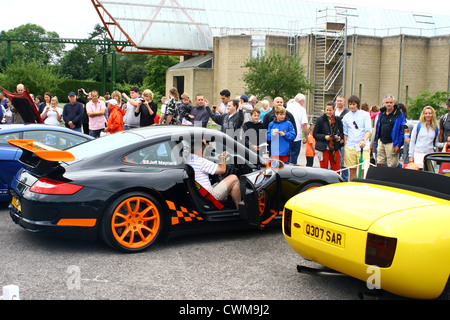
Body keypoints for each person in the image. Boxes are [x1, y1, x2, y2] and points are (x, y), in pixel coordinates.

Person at [187, 140, 241, 209]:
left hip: (197, 194)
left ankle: (233, 209)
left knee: (232, 186)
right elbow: (222, 169)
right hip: (207, 196)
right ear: (202, 150)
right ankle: (240, 210)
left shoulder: (187, 160)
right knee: (234, 178)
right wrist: (222, 156)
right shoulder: (201, 162)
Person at [342, 95, 372, 180]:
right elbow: (345, 133)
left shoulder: (365, 115)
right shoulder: (346, 117)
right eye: (350, 104)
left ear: (357, 105)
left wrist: (364, 140)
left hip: (362, 146)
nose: (352, 106)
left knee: (363, 170)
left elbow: (368, 130)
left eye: (354, 104)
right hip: (350, 146)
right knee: (352, 170)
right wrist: (346, 145)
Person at [372, 94, 406, 168]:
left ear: (394, 103)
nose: (389, 104)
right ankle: (380, 178)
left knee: (392, 165)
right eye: (387, 102)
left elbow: (402, 130)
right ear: (384, 103)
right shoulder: (382, 113)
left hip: (392, 143)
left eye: (390, 102)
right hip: (381, 141)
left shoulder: (399, 114)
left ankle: (391, 179)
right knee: (380, 162)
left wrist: (398, 144)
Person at [313, 101, 344, 172]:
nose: (328, 112)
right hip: (324, 147)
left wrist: (339, 137)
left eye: (330, 110)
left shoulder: (337, 119)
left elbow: (342, 132)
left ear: (334, 110)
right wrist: (324, 137)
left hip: (334, 147)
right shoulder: (320, 119)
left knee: (337, 169)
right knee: (324, 170)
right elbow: (315, 134)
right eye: (327, 110)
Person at [286, 93, 308, 164]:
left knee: (286, 156)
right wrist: (306, 136)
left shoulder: (287, 107)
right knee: (294, 157)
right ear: (301, 101)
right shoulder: (302, 110)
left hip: (287, 135)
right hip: (297, 136)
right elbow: (304, 124)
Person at [334, 95, 349, 181]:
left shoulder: (347, 113)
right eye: (338, 101)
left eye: (341, 101)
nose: (339, 102)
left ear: (344, 102)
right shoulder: (333, 112)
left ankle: (345, 179)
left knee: (344, 162)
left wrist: (342, 137)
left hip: (343, 140)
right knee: (334, 161)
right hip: (334, 140)